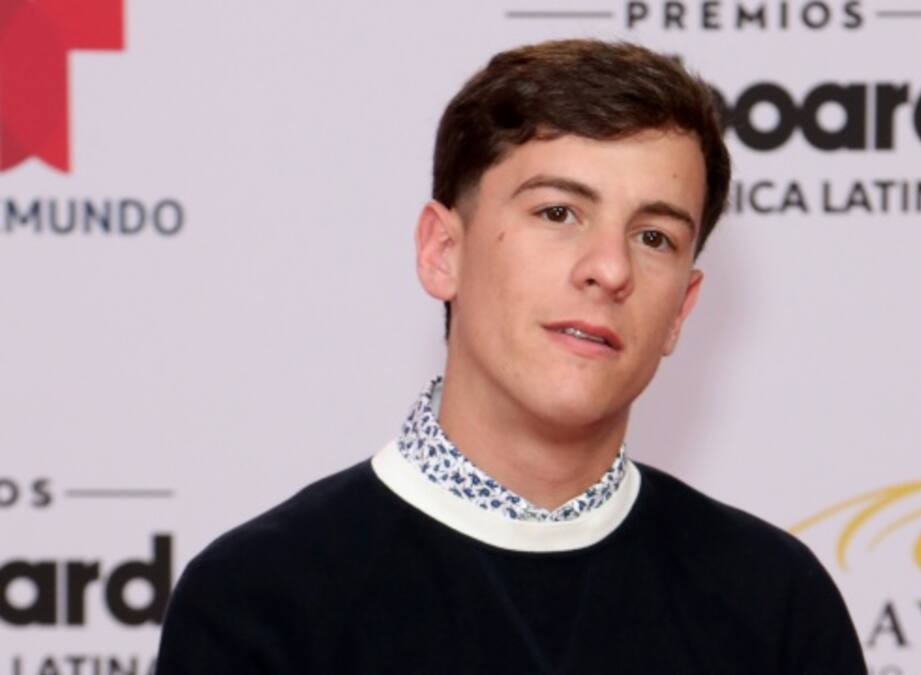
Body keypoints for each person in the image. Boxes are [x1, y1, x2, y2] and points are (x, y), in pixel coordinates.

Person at [157, 39, 867, 674]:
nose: (609, 269)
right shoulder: (260, 600)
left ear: (682, 308)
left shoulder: (776, 602)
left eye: (654, 237)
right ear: (443, 251)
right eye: (558, 212)